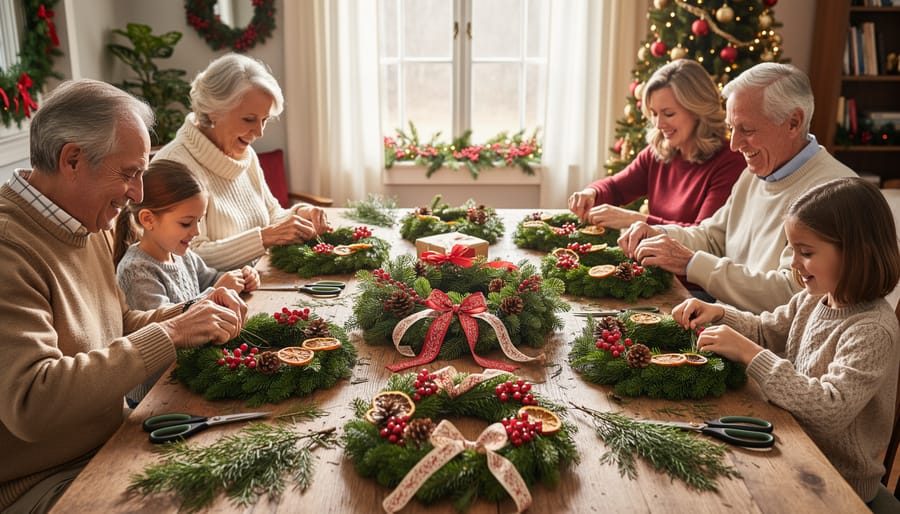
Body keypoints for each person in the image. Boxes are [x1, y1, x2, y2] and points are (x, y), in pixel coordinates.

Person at [0, 79, 248, 513]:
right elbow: (32, 402)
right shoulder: (9, 248)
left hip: (110, 442)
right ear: (72, 159)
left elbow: (118, 323)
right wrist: (170, 333)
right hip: (42, 481)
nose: (137, 194)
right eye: (130, 173)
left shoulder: (83, 220)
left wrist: (194, 314)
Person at [671, 177, 900, 505]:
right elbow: (767, 330)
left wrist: (752, 354)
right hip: (790, 444)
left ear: (855, 253)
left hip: (836, 482)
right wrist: (719, 314)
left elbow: (829, 412)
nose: (793, 264)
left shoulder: (873, 329)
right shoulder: (814, 298)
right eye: (792, 250)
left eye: (805, 252)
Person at [618, 62, 857, 314]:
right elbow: (712, 238)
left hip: (765, 340)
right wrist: (659, 234)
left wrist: (691, 263)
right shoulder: (756, 172)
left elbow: (791, 294)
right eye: (732, 128)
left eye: (747, 129)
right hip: (728, 319)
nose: (733, 144)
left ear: (793, 123)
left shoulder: (832, 194)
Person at [153, 53, 329, 270]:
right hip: (213, 298)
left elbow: (271, 214)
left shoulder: (246, 155)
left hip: (258, 281)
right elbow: (185, 258)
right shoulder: (175, 165)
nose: (260, 132)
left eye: (265, 120)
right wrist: (263, 239)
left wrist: (300, 214)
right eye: (249, 119)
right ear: (213, 111)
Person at [114, 158, 260, 406]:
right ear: (148, 219)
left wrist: (241, 277)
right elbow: (165, 329)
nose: (197, 232)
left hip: (190, 370)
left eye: (199, 220)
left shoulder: (181, 254)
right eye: (186, 223)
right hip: (157, 391)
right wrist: (218, 290)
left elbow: (211, 279)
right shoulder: (137, 270)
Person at [568, 59, 744, 229]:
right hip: (654, 258)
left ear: (698, 111)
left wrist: (635, 220)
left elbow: (703, 237)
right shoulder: (658, 153)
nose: (658, 124)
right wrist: (591, 193)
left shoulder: (730, 161)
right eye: (653, 113)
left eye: (668, 114)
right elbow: (615, 188)